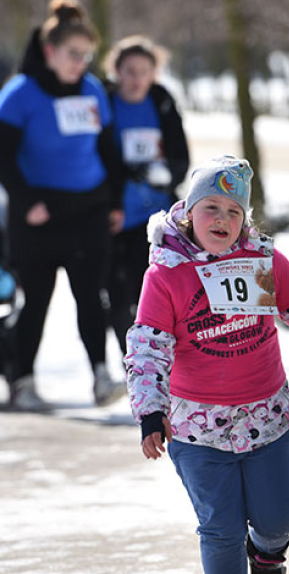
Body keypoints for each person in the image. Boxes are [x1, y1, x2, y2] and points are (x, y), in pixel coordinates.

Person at [125, 156, 289, 574]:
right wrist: (150, 410)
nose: (222, 219)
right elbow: (149, 347)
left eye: (233, 211)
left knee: (279, 519)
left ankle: (267, 557)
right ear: (189, 212)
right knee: (221, 529)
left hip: (265, 419)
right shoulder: (167, 273)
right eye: (211, 207)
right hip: (198, 429)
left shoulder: (259, 261)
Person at [0, 0, 126, 409]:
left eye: (86, 55)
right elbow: (0, 157)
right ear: (49, 51)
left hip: (88, 209)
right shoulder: (20, 93)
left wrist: (115, 202)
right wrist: (26, 201)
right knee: (36, 300)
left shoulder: (93, 91)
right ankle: (23, 380)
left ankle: (101, 376)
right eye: (72, 54)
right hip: (38, 215)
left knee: (90, 296)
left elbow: (109, 150)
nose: (80, 63)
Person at [102, 35, 190, 357]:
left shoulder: (161, 100)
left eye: (144, 71)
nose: (137, 79)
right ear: (117, 71)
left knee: (160, 294)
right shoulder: (105, 101)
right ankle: (131, 362)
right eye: (130, 71)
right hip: (117, 216)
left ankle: (165, 360)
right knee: (119, 295)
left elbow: (181, 155)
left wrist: (165, 174)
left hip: (156, 217)